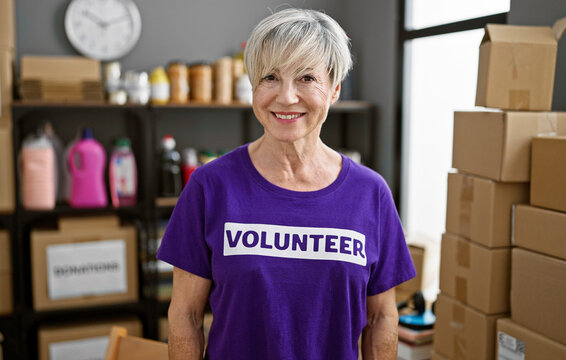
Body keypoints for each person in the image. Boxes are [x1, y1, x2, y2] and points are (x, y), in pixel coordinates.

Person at [157, 8, 416, 360]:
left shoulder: (370, 193)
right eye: (270, 77)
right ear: (254, 86)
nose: (286, 97)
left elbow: (381, 316)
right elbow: (185, 315)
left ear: (335, 89)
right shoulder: (209, 186)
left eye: (307, 78)